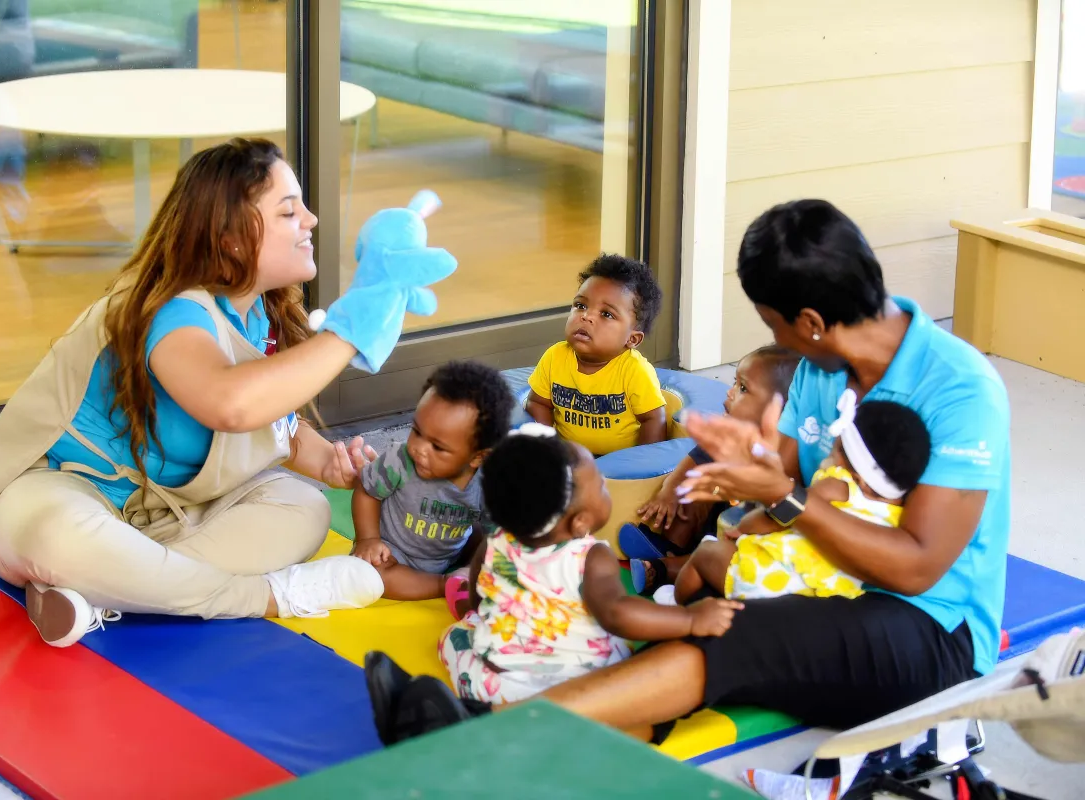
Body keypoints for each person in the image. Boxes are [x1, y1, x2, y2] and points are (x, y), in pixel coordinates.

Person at [365, 198, 1011, 743]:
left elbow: (915, 567)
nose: (777, 340)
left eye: (773, 324)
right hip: (812, 581)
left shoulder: (959, 389)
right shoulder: (821, 369)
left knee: (736, 633)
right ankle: (627, 716)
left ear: (811, 323)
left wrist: (781, 497)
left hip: (924, 627)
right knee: (676, 606)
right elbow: (774, 471)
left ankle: (479, 734)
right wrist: (722, 470)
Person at [0, 138, 454, 647]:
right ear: (231, 239)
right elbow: (229, 404)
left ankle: (103, 592)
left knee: (306, 509)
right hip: (60, 492)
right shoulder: (171, 309)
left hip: (166, 512)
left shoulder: (263, 315)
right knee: (58, 537)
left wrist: (331, 465)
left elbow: (273, 424)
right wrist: (351, 330)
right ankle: (271, 596)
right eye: (288, 211)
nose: (311, 220)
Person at [365, 424, 740, 736]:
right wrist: (690, 619)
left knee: (457, 634)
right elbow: (617, 613)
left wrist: (486, 616)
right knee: (621, 649)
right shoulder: (590, 557)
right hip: (577, 681)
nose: (605, 489)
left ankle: (442, 703)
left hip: (498, 681)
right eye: (602, 486)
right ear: (581, 521)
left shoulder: (497, 540)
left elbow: (480, 595)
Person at [671, 395, 931, 604]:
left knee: (706, 553)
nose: (828, 457)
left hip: (769, 580)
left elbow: (777, 516)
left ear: (859, 476)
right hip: (824, 598)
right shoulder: (898, 514)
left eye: (835, 451)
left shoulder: (838, 485)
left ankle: (680, 610)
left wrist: (744, 527)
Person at [622, 345, 801, 567]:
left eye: (743, 388)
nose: (730, 392)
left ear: (779, 409)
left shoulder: (786, 456)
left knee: (718, 553)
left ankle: (668, 567)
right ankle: (669, 548)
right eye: (734, 382)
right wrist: (669, 490)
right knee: (694, 483)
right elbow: (692, 462)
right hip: (714, 524)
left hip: (743, 537)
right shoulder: (728, 435)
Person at [351, 360, 513, 604]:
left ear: (477, 457)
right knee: (370, 574)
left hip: (452, 551)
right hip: (395, 553)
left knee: (494, 540)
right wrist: (368, 539)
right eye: (416, 431)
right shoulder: (400, 459)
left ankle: (468, 573)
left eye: (437, 447)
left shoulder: (487, 483)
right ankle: (445, 584)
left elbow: (498, 535)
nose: (419, 448)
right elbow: (366, 490)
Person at [525, 255, 667, 456]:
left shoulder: (634, 370)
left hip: (619, 465)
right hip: (570, 459)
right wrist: (549, 446)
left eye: (606, 314)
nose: (586, 316)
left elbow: (654, 419)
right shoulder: (555, 357)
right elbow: (537, 402)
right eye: (580, 305)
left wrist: (640, 463)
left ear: (632, 339)